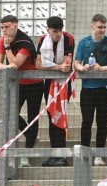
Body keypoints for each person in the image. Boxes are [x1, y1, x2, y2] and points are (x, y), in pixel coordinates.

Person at [0, 15, 44, 168]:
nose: (4, 30)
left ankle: (26, 156)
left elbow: (17, 63)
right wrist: (7, 67)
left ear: (15, 27)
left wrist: (8, 48)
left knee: (33, 117)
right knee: (10, 113)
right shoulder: (2, 40)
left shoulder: (25, 42)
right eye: (2, 27)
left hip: (35, 84)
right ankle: (30, 136)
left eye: (6, 27)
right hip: (18, 85)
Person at [74, 14, 107, 163]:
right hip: (87, 89)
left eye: (104, 27)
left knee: (102, 121)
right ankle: (85, 153)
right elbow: (76, 63)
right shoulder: (84, 43)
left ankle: (100, 154)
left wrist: (103, 68)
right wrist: (82, 68)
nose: (102, 30)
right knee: (86, 121)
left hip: (104, 89)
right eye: (100, 27)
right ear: (92, 26)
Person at [36, 17, 74, 167]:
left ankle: (62, 155)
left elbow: (67, 64)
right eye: (54, 31)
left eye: (60, 31)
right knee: (52, 116)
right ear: (48, 30)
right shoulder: (42, 40)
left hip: (64, 83)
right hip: (49, 83)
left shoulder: (68, 38)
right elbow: (38, 64)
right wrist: (57, 68)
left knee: (61, 116)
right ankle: (54, 154)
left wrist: (56, 67)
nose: (58, 34)